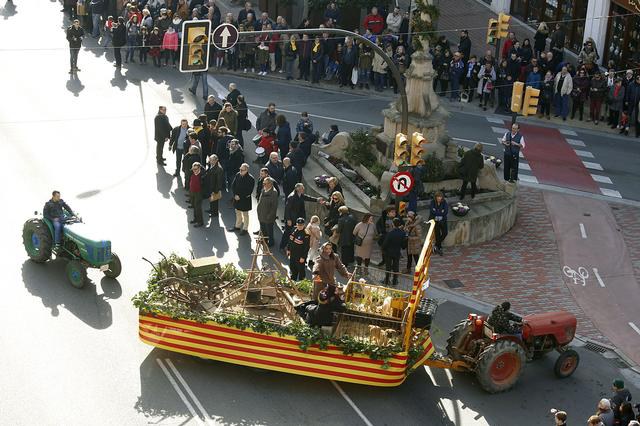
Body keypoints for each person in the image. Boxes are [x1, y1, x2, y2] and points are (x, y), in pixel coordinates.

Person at [282, 183, 322, 251]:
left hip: (297, 218)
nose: (303, 189)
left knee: (295, 232)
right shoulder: (291, 197)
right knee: (287, 233)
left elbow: (307, 197)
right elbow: (287, 209)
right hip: (292, 219)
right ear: (297, 189)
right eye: (302, 188)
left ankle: (291, 247)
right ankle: (282, 246)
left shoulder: (300, 195)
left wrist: (316, 200)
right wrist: (288, 219)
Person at [228, 163, 254, 235]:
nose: (240, 171)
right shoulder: (238, 175)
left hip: (245, 199)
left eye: (242, 170)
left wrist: (240, 196)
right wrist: (235, 195)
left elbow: (249, 191)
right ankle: (237, 226)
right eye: (240, 169)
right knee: (238, 213)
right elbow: (233, 185)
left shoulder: (250, 179)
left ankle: (245, 229)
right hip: (237, 198)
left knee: (245, 215)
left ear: (246, 170)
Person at [382, 218, 407, 287]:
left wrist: (383, 249)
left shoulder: (390, 233)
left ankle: (387, 280)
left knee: (388, 267)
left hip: (388, 252)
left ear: (393, 224)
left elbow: (385, 244)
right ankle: (395, 280)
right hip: (397, 252)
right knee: (396, 267)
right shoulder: (402, 233)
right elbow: (403, 246)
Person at [256, 177, 278, 246]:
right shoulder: (263, 190)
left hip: (268, 216)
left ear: (270, 184)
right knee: (263, 229)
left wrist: (269, 216)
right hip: (261, 214)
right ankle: (264, 240)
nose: (263, 185)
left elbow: (274, 207)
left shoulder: (274, 193)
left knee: (269, 230)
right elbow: (260, 201)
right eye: (263, 183)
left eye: (265, 183)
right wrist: (258, 211)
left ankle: (271, 242)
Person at [189, 162, 204, 227]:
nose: (194, 170)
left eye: (196, 169)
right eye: (193, 169)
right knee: (194, 207)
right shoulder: (193, 174)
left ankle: (200, 222)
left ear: (199, 168)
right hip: (192, 192)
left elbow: (204, 186)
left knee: (198, 208)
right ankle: (196, 219)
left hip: (199, 193)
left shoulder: (202, 176)